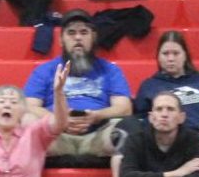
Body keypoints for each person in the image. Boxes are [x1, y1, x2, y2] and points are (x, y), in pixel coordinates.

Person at [22, 9, 134, 162]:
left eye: (84, 32)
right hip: (57, 139)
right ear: (61, 40)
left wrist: (97, 116)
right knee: (27, 120)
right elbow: (29, 107)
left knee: (129, 126)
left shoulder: (110, 70)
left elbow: (125, 108)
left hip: (98, 137)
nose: (78, 37)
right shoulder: (44, 71)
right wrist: (59, 119)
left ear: (93, 37)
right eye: (71, 33)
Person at [133, 30, 199, 177]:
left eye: (176, 53)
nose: (171, 58)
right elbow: (140, 118)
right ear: (158, 57)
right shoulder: (149, 85)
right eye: (165, 53)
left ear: (185, 55)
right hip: (171, 139)